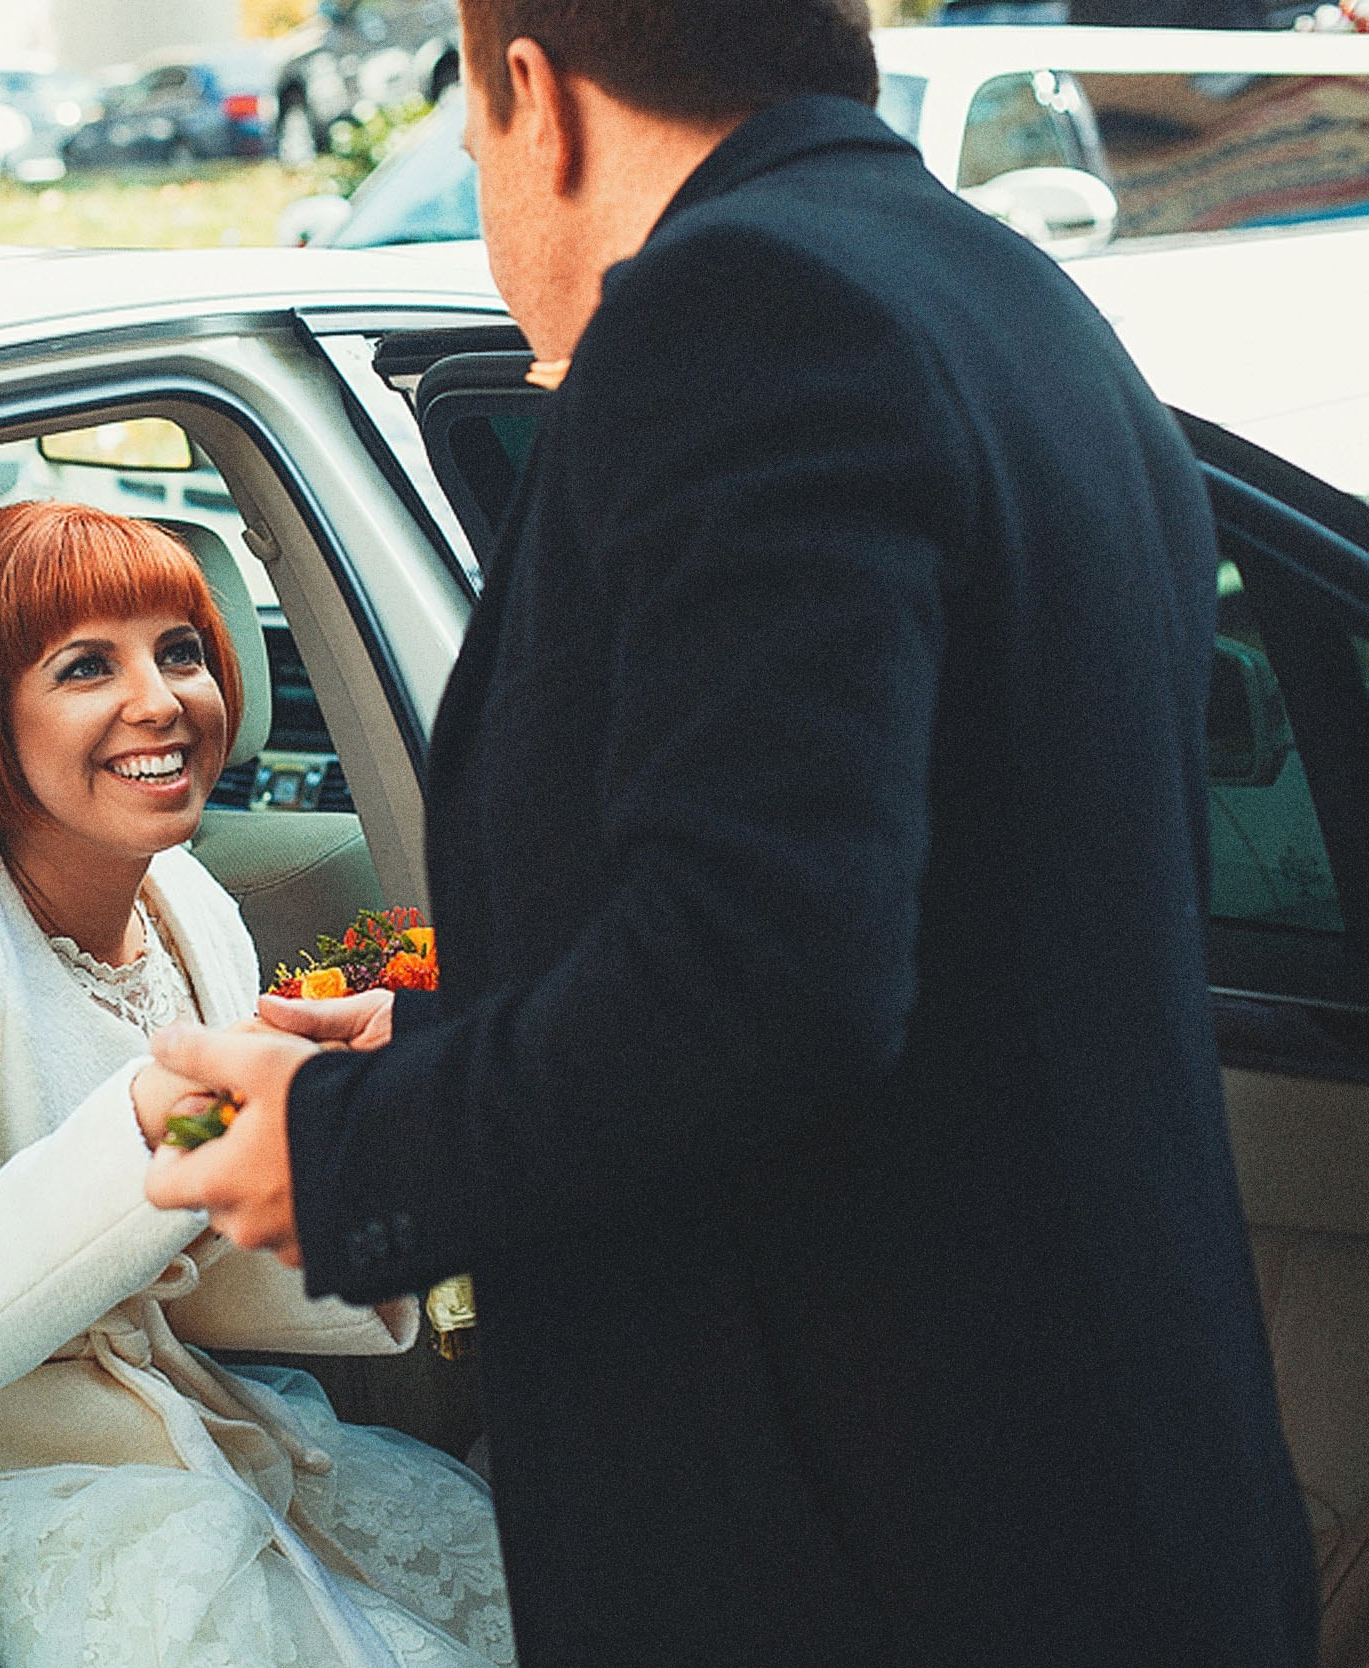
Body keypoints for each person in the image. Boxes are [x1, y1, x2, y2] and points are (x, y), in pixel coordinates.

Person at [136, 2, 1318, 1663]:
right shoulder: (1011, 297)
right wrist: (432, 1043)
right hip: (1092, 1505)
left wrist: (344, 1151)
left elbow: (769, 959)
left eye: (469, 128)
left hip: (878, 1553)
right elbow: (914, 923)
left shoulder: (741, 314)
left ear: (529, 94)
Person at [0, 501, 515, 1668]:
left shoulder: (185, 900)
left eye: (180, 651)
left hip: (135, 1424)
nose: (159, 699)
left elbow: (180, 1259)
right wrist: (177, 1113)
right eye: (86, 666)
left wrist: (356, 1142)